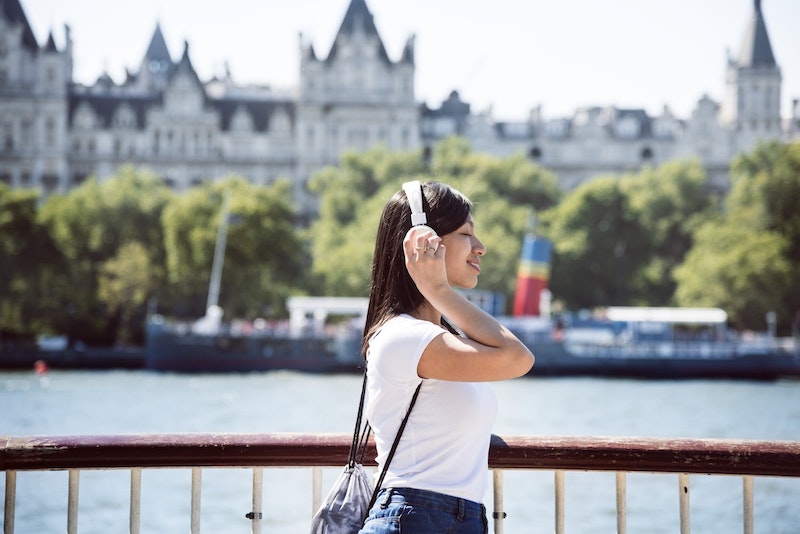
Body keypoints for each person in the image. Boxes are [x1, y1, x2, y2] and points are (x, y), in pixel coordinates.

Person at [358, 181, 534, 533]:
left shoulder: (431, 338)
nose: (480, 247)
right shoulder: (404, 338)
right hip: (414, 516)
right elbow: (518, 358)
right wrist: (435, 288)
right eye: (467, 233)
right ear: (426, 241)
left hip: (452, 517)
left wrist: (437, 293)